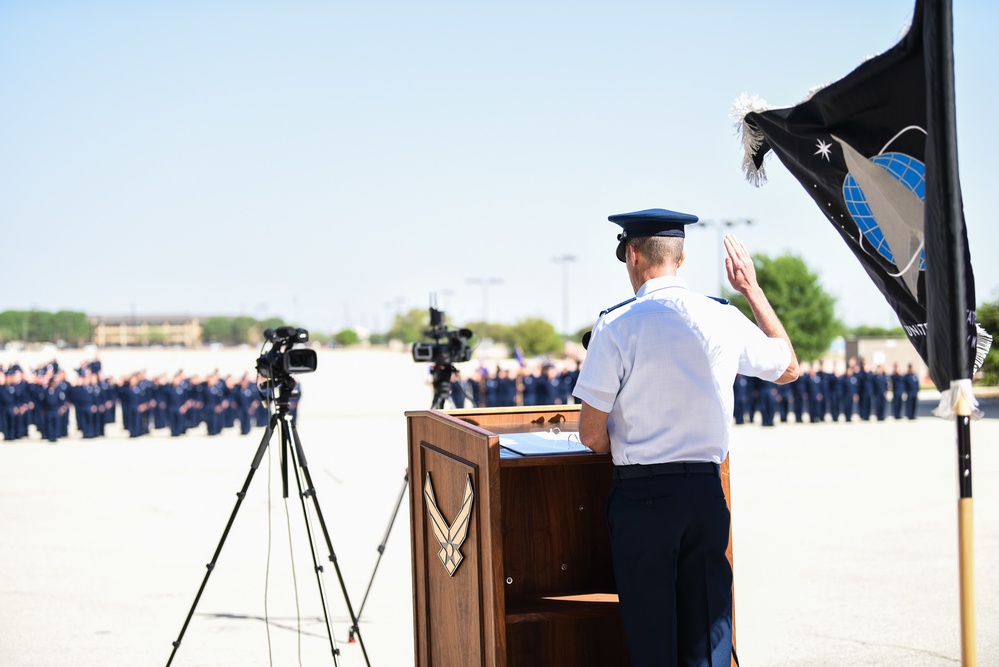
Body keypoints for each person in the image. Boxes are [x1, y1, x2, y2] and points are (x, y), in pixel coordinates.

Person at [574, 208, 798, 667]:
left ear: (633, 255)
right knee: (708, 636)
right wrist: (752, 289)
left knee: (654, 639)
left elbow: (592, 435)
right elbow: (788, 367)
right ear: (681, 258)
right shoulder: (722, 315)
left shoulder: (615, 325)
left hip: (643, 499)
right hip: (704, 493)